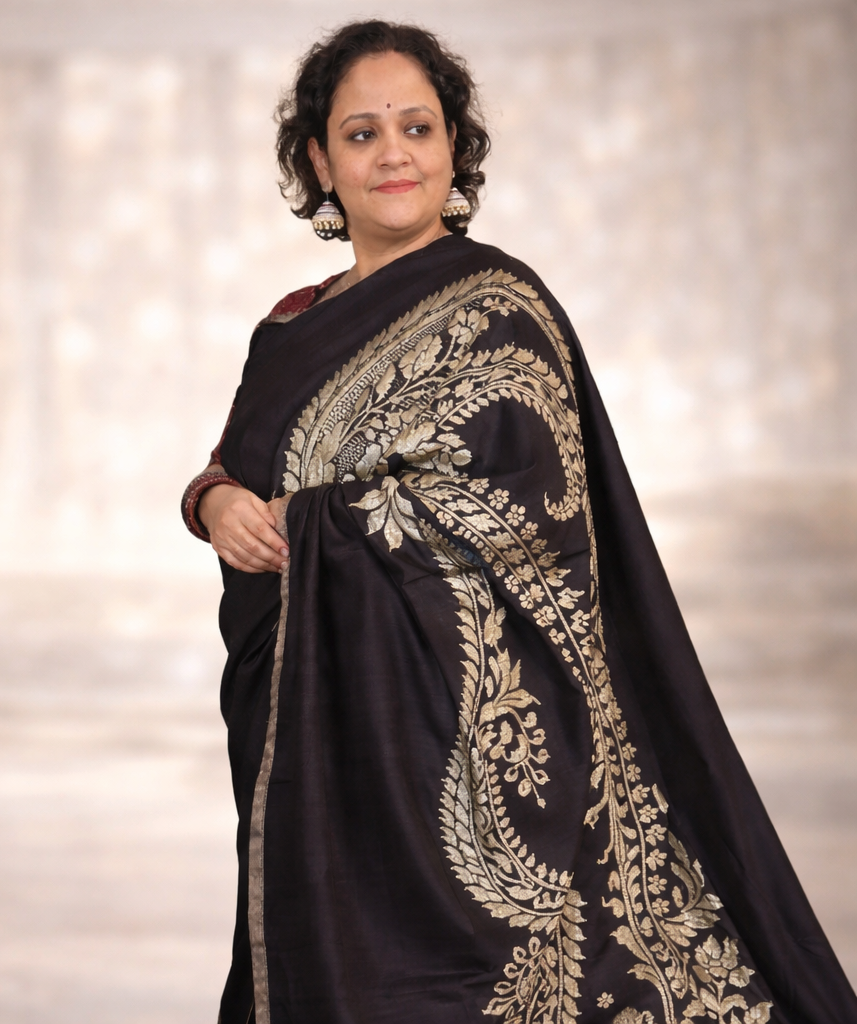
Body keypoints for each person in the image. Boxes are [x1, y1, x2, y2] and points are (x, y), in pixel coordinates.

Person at [180, 20, 857, 1024]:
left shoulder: (500, 307)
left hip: (457, 744)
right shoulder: (289, 324)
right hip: (306, 726)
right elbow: (239, 462)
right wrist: (213, 502)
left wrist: (321, 522)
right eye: (361, 134)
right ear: (320, 161)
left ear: (454, 145)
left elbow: (527, 517)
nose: (394, 153)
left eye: (417, 125)